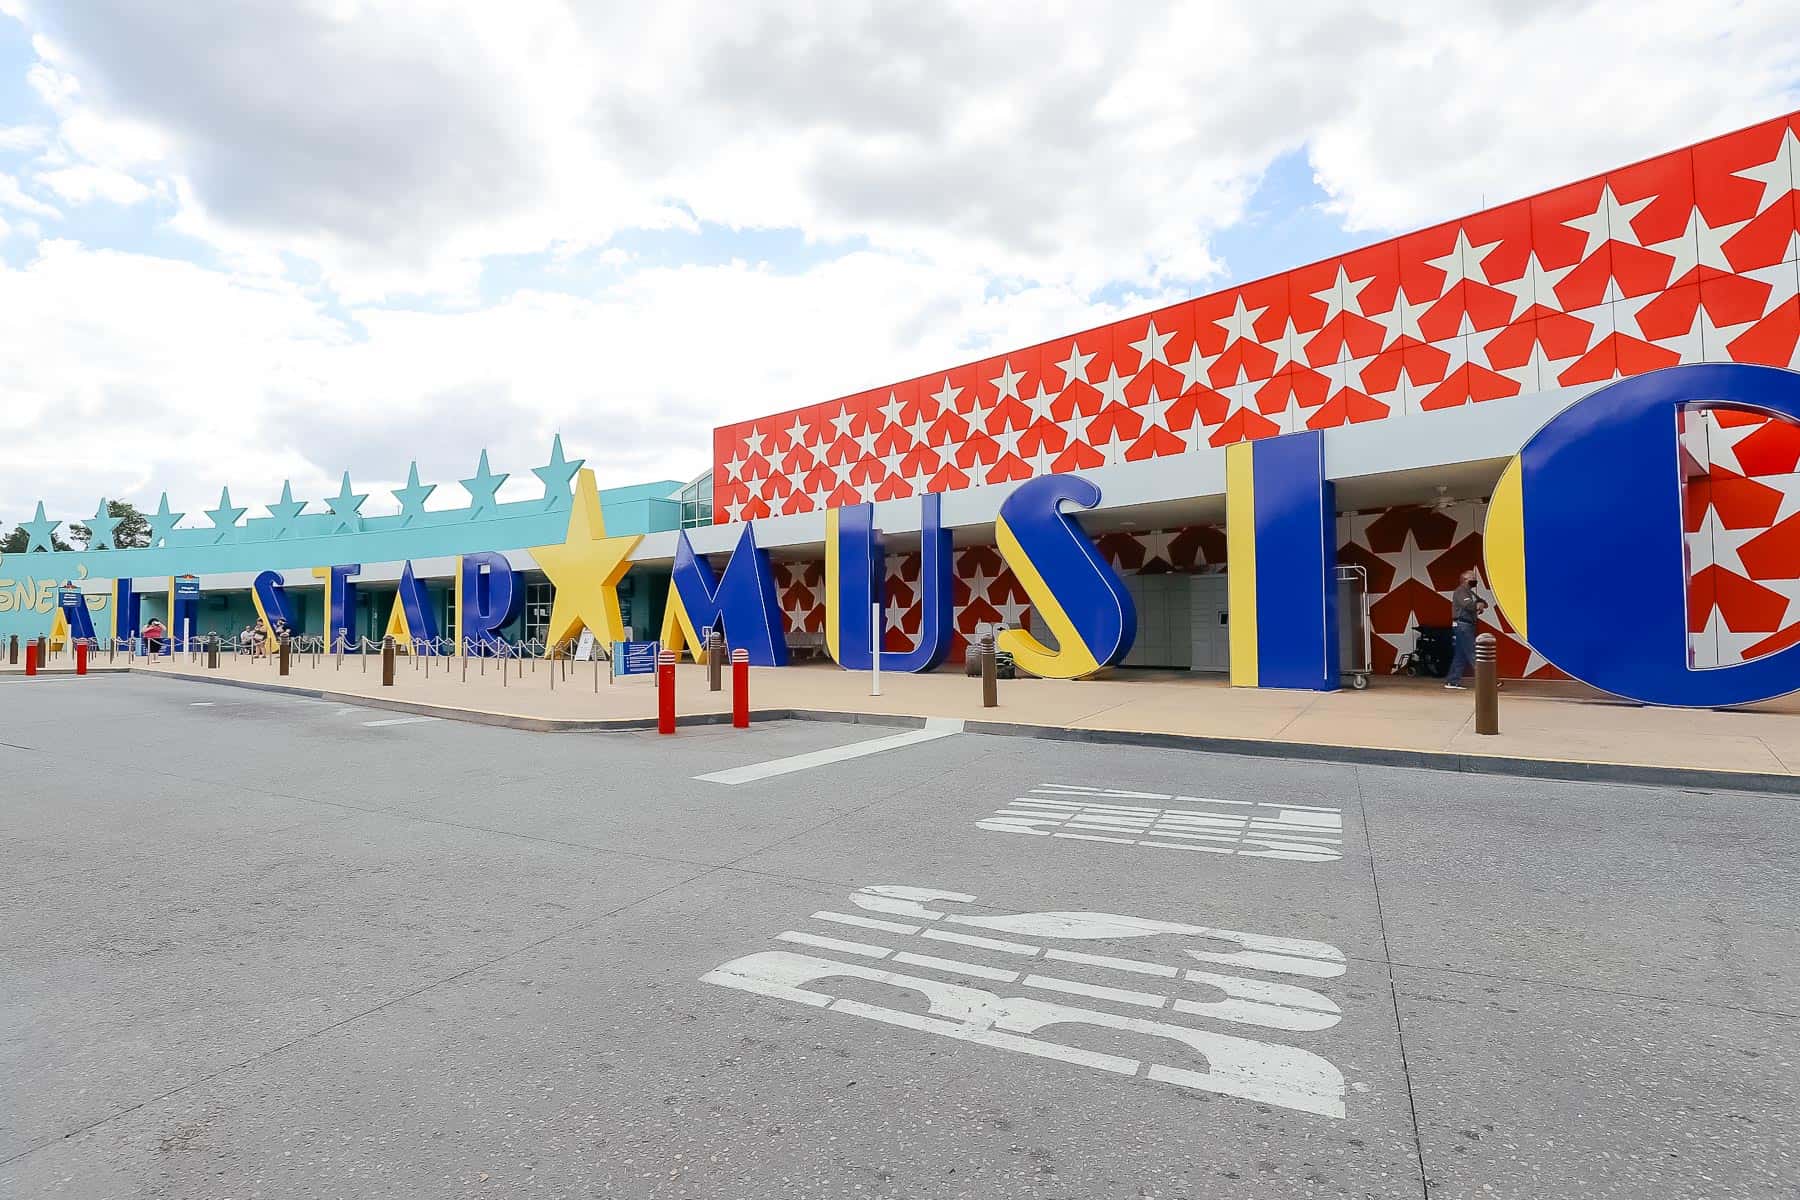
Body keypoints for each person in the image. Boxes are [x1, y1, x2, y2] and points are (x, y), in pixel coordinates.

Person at [1443, 568, 1485, 690]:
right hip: (1463, 625)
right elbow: (1469, 605)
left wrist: (1480, 604)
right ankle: (1487, 680)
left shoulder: (1470, 593)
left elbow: (1483, 602)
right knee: (1473, 652)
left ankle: (1452, 681)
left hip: (1468, 625)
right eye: (1472, 579)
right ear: (1465, 580)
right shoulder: (1461, 591)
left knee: (1460, 655)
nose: (1475, 581)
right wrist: (1477, 605)